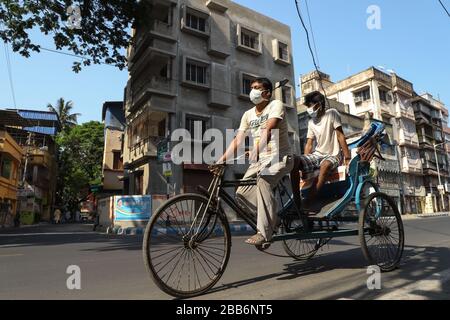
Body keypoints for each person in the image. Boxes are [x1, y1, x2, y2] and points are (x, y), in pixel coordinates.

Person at [214, 77, 293, 246]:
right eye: (252, 87)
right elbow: (238, 140)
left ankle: (264, 232)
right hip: (260, 160)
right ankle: (273, 219)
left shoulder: (275, 105)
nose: (253, 91)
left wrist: (257, 149)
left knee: (262, 180)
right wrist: (221, 160)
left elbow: (269, 129)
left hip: (281, 157)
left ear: (267, 93)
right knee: (241, 194)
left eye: (257, 88)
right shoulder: (248, 114)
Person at [291, 91, 351, 211]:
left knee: (325, 165)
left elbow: (340, 136)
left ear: (318, 104)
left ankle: (309, 201)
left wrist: (347, 157)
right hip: (317, 154)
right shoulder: (311, 122)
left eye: (310, 106)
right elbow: (309, 143)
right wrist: (305, 163)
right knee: (294, 160)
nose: (308, 109)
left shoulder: (332, 113)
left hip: (333, 155)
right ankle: (297, 201)